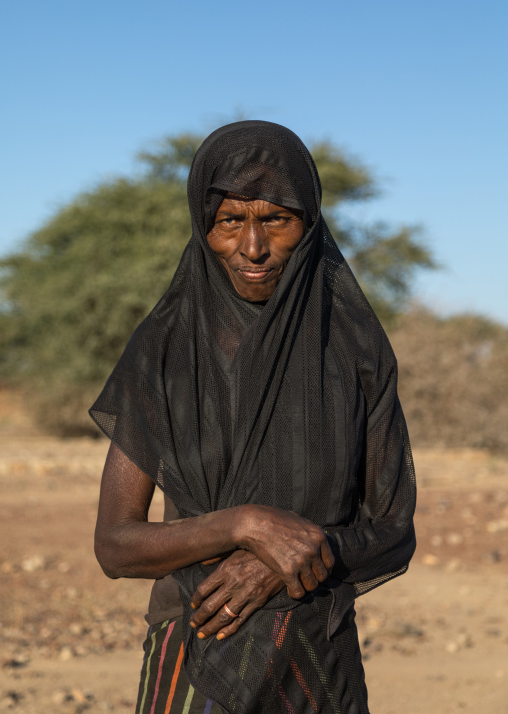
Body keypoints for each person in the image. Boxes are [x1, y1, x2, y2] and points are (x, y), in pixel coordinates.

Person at [90, 120, 417, 714]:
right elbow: (116, 546)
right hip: (192, 644)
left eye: (276, 220)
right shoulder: (163, 350)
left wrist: (284, 561)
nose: (253, 247)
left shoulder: (355, 349)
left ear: (309, 225)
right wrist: (243, 525)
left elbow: (394, 531)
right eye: (230, 222)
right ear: (203, 226)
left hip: (315, 654)